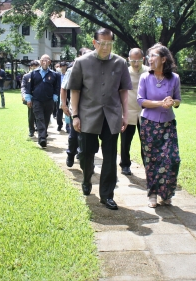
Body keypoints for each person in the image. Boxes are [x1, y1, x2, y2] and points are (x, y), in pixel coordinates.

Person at [68, 28, 132, 210]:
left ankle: (107, 195)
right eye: (102, 43)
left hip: (112, 115)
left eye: (109, 43)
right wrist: (75, 116)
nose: (105, 47)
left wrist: (125, 115)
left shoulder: (120, 63)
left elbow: (123, 92)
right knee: (87, 154)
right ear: (94, 43)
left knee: (110, 157)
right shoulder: (81, 62)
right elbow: (75, 90)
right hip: (88, 115)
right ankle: (87, 178)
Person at [137, 44, 181, 207]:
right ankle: (153, 195)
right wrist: (159, 104)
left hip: (168, 124)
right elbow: (141, 101)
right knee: (152, 160)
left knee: (172, 159)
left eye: (153, 56)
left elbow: (178, 100)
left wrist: (172, 102)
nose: (150, 59)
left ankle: (166, 193)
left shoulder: (174, 78)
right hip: (149, 124)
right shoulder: (145, 77)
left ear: (163, 59)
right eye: (149, 56)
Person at [120, 48, 149, 176]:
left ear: (143, 59)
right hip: (128, 111)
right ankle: (125, 164)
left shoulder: (150, 72)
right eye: (133, 61)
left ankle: (148, 166)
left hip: (145, 112)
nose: (136, 64)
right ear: (128, 60)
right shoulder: (124, 72)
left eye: (138, 61)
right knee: (125, 142)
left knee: (146, 142)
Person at [61, 48, 92, 166]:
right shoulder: (72, 70)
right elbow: (64, 88)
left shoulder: (96, 69)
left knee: (87, 135)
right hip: (75, 108)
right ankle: (70, 153)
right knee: (74, 134)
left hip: (90, 108)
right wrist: (63, 104)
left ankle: (85, 157)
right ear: (79, 56)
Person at [25, 55, 59, 148]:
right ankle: (42, 139)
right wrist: (28, 99)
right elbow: (28, 88)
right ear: (40, 61)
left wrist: (55, 97)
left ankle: (43, 136)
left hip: (49, 101)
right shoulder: (33, 73)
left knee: (46, 119)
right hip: (37, 100)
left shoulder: (54, 74)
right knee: (39, 118)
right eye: (43, 60)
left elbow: (57, 87)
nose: (45, 62)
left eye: (47, 60)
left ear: (50, 62)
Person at [21, 60, 40, 137]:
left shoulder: (41, 75)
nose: (35, 68)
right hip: (30, 97)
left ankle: (40, 129)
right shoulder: (26, 76)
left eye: (36, 66)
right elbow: (23, 87)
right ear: (30, 67)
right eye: (33, 66)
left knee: (39, 114)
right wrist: (24, 95)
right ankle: (31, 130)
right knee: (31, 115)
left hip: (39, 97)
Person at [56, 61, 68, 131]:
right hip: (59, 94)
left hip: (67, 94)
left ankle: (67, 126)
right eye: (62, 66)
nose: (63, 68)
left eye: (64, 66)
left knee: (67, 110)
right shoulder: (57, 75)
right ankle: (59, 124)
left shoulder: (68, 74)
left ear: (66, 67)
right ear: (60, 67)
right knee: (59, 111)